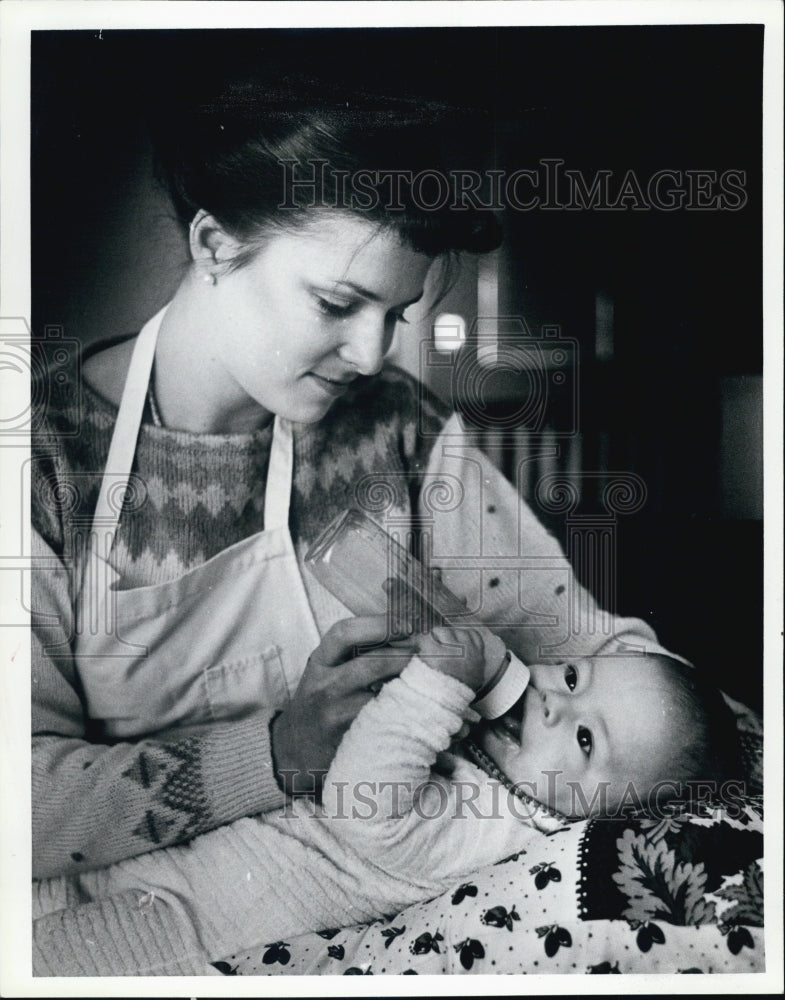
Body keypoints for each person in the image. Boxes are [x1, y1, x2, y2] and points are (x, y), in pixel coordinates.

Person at [32, 71, 684, 916]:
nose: (374, 356)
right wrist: (276, 753)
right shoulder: (41, 462)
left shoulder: (397, 432)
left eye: (397, 313)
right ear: (214, 245)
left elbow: (594, 653)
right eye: (338, 303)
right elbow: (27, 806)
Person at [32, 623, 738, 976]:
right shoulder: (507, 767)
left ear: (594, 815)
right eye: (575, 678)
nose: (550, 701)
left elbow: (364, 807)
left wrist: (433, 689)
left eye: (585, 743)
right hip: (131, 871)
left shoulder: (498, 823)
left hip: (158, 938)